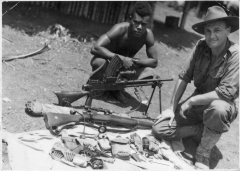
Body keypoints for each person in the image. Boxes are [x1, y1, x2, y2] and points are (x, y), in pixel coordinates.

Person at [152, 6, 239, 169]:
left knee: (218, 109)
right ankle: (199, 131)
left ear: (228, 30)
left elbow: (225, 94)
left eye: (217, 30)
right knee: (159, 128)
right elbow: (184, 77)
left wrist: (191, 101)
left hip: (221, 106)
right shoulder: (200, 46)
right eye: (208, 31)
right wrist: (172, 108)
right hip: (198, 106)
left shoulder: (235, 55)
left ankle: (203, 152)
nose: (212, 36)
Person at [90, 2, 158, 103]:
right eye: (136, 22)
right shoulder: (120, 29)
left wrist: (133, 61)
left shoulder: (148, 35)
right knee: (98, 62)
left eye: (144, 24)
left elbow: (154, 62)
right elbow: (95, 48)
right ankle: (96, 86)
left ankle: (116, 89)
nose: (139, 27)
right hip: (108, 63)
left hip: (124, 67)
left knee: (150, 73)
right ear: (130, 18)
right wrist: (121, 58)